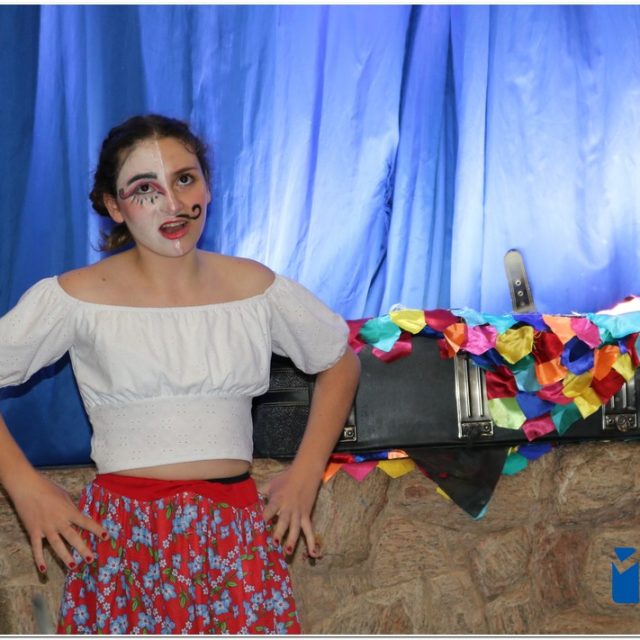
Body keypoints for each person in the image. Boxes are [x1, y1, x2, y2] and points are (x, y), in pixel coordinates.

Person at [0, 114, 360, 634]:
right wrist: (24, 488)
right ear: (114, 206)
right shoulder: (74, 297)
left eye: (185, 179)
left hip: (236, 538)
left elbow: (339, 361)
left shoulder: (255, 288)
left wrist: (306, 475)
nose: (172, 203)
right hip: (123, 543)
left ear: (207, 187)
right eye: (146, 188)